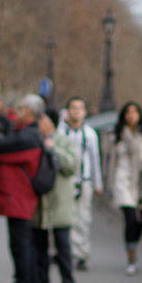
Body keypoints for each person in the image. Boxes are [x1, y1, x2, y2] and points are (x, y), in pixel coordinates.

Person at [0, 94, 47, 283]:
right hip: (19, 197)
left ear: (29, 111)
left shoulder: (28, 136)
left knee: (20, 244)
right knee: (22, 243)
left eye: (19, 108)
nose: (15, 112)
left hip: (19, 197)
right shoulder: (28, 134)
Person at [32, 108, 81, 283]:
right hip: (39, 203)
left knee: (63, 248)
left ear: (51, 122)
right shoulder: (35, 140)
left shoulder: (65, 141)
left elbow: (71, 167)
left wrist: (54, 149)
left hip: (59, 202)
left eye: (42, 119)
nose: (39, 123)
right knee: (39, 248)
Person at [110, 101, 142, 275]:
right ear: (123, 116)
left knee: (141, 222)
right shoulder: (117, 135)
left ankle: (133, 245)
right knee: (130, 219)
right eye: (128, 112)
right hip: (123, 180)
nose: (131, 115)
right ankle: (131, 258)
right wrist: (109, 185)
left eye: (135, 112)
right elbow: (112, 162)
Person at [58, 97, 101, 271]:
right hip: (65, 180)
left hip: (84, 181)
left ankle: (81, 254)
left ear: (84, 112)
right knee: (63, 216)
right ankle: (61, 251)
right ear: (67, 111)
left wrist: (98, 183)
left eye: (80, 108)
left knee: (83, 217)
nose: (76, 111)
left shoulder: (90, 134)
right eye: (73, 108)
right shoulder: (61, 132)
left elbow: (95, 159)